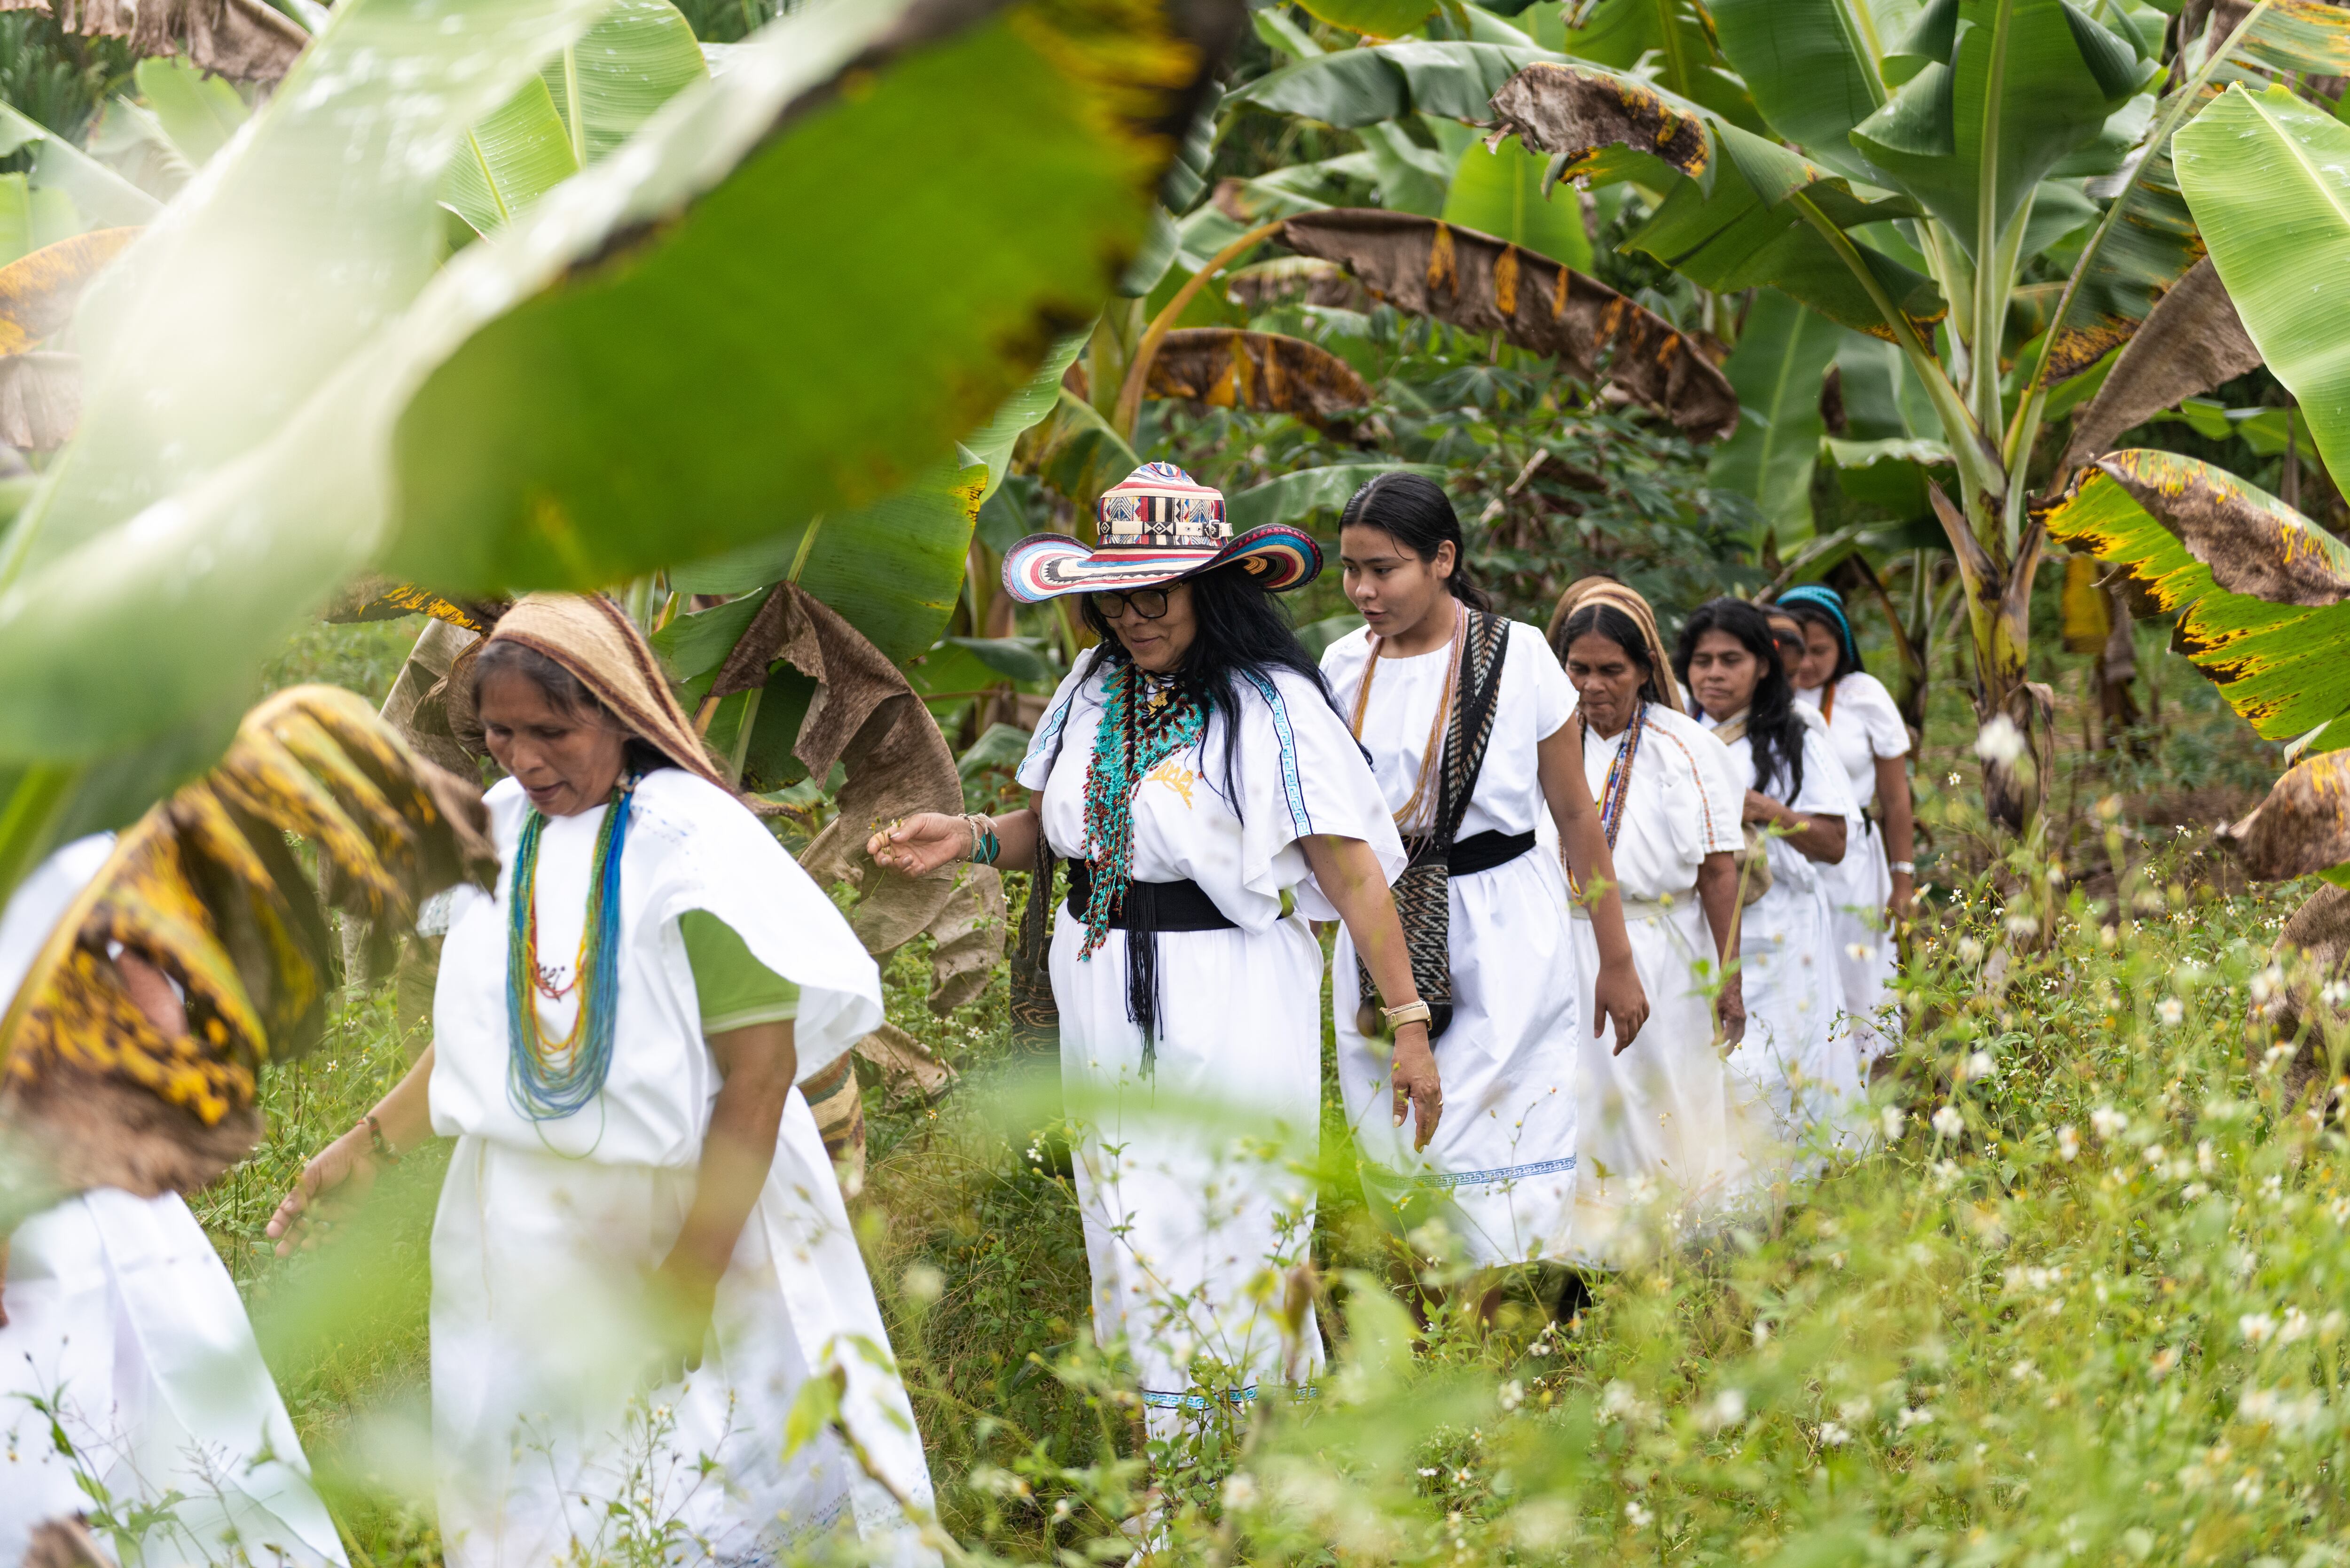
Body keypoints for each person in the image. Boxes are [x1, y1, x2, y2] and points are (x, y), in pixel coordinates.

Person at [267, 593, 938, 1568]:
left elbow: (758, 1078)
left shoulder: (696, 851)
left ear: (621, 713)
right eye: (499, 733)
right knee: (547, 1490)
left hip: (695, 1213)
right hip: (525, 1227)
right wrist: (365, 1146)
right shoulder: (495, 828)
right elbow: (487, 1033)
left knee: (710, 1484)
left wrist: (694, 1277)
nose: (526, 759)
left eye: (553, 730)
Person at [870, 462, 1428, 1445]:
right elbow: (1059, 830)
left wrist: (1408, 1021)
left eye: (1154, 594)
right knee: (1126, 1221)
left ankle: (1238, 1477)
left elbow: (1349, 872)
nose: (1131, 616)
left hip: (1228, 991)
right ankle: (1167, 1476)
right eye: (1113, 597)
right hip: (1100, 992)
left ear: (1210, 588)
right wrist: (962, 836)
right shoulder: (1094, 689)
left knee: (1227, 1215)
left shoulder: (1269, 706)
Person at [1321, 475, 1647, 1278]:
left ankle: (1517, 1325)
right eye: (1351, 569)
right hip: (1383, 924)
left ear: (1443, 560)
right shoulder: (1338, 664)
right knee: (1395, 1131)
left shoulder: (1518, 654)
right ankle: (1427, 1335)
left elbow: (1575, 814)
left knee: (1498, 1132)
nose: (1364, 590)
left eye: (1384, 569)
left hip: (1505, 927)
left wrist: (1615, 957)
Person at [0, 834, 348, 1568]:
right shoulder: (73, 841)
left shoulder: (72, 849)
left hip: (85, 1213)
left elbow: (161, 1026)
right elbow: (163, 1031)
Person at [1545, 580, 1769, 1262]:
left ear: (1646, 669)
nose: (1593, 686)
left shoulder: (1688, 747)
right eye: (1578, 669)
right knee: (1578, 1103)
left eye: (1611, 670)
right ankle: (1586, 1261)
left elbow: (1718, 870)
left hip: (1662, 950)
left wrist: (1728, 980)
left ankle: (1678, 1251)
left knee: (1665, 1093)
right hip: (1568, 946)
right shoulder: (1547, 743)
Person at [1675, 598, 1864, 1157]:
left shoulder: (1794, 732)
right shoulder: (1676, 732)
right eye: (1701, 659)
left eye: (1729, 659)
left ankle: (1793, 1187)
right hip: (1700, 922)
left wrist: (1764, 809)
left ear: (1762, 663)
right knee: (1712, 1059)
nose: (1713, 673)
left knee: (1779, 1058)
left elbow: (1833, 842)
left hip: (1779, 927)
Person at [1780, 585, 1914, 1066]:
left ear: (1842, 645)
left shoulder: (1863, 696)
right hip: (1783, 857)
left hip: (1853, 860)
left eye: (1821, 650)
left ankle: (1867, 1093)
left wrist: (1902, 879)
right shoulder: (1765, 700)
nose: (1809, 663)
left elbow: (1896, 799)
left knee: (1857, 976)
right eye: (1799, 650)